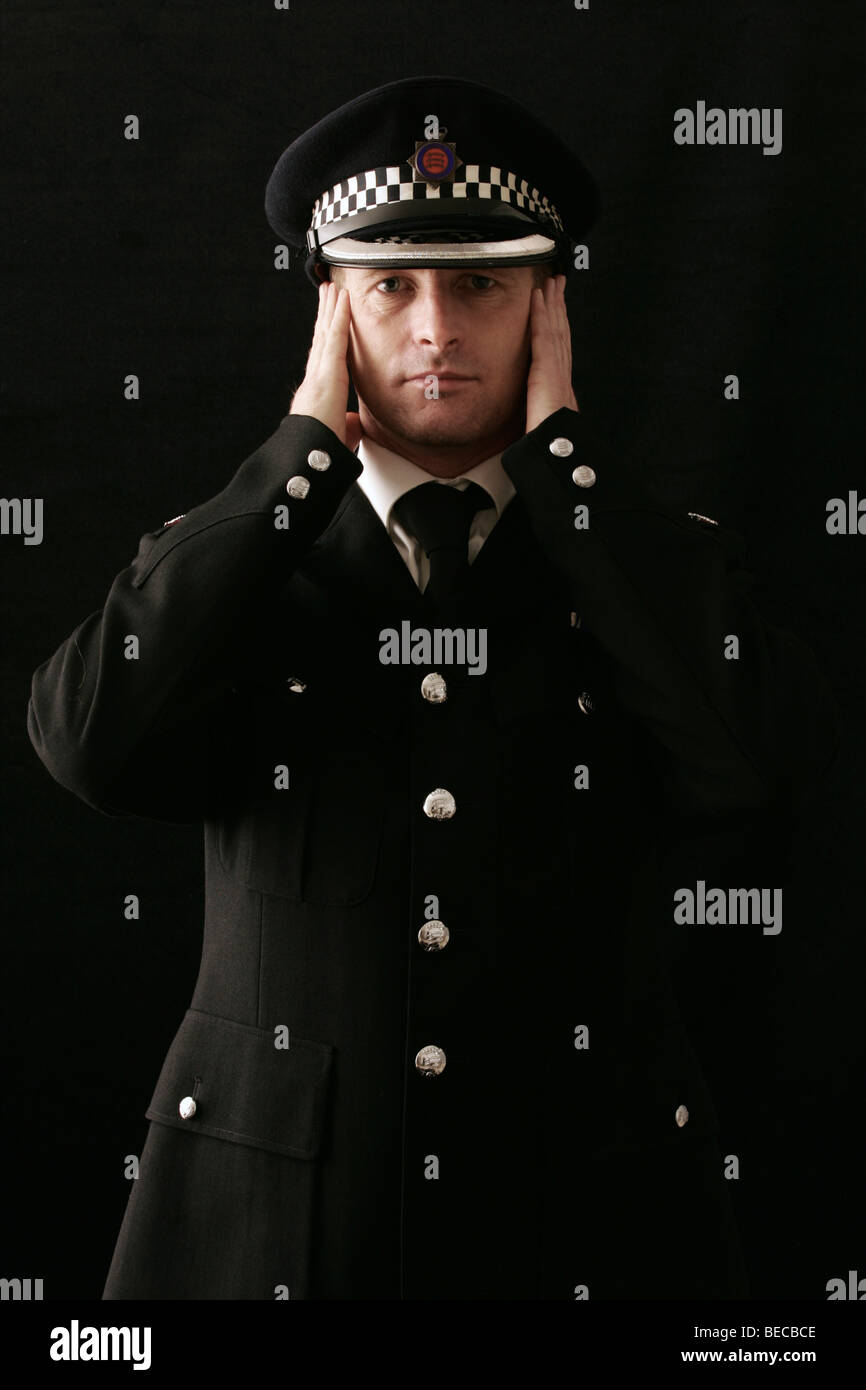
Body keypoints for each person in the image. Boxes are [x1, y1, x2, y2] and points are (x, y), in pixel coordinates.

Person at [27, 74, 838, 1300]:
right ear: (329, 307)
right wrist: (297, 455)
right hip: (267, 1234)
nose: (436, 329)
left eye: (480, 283)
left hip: (585, 1228)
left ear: (545, 302)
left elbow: (752, 764)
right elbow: (88, 743)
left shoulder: (642, 560)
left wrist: (568, 482)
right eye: (389, 285)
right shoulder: (239, 558)